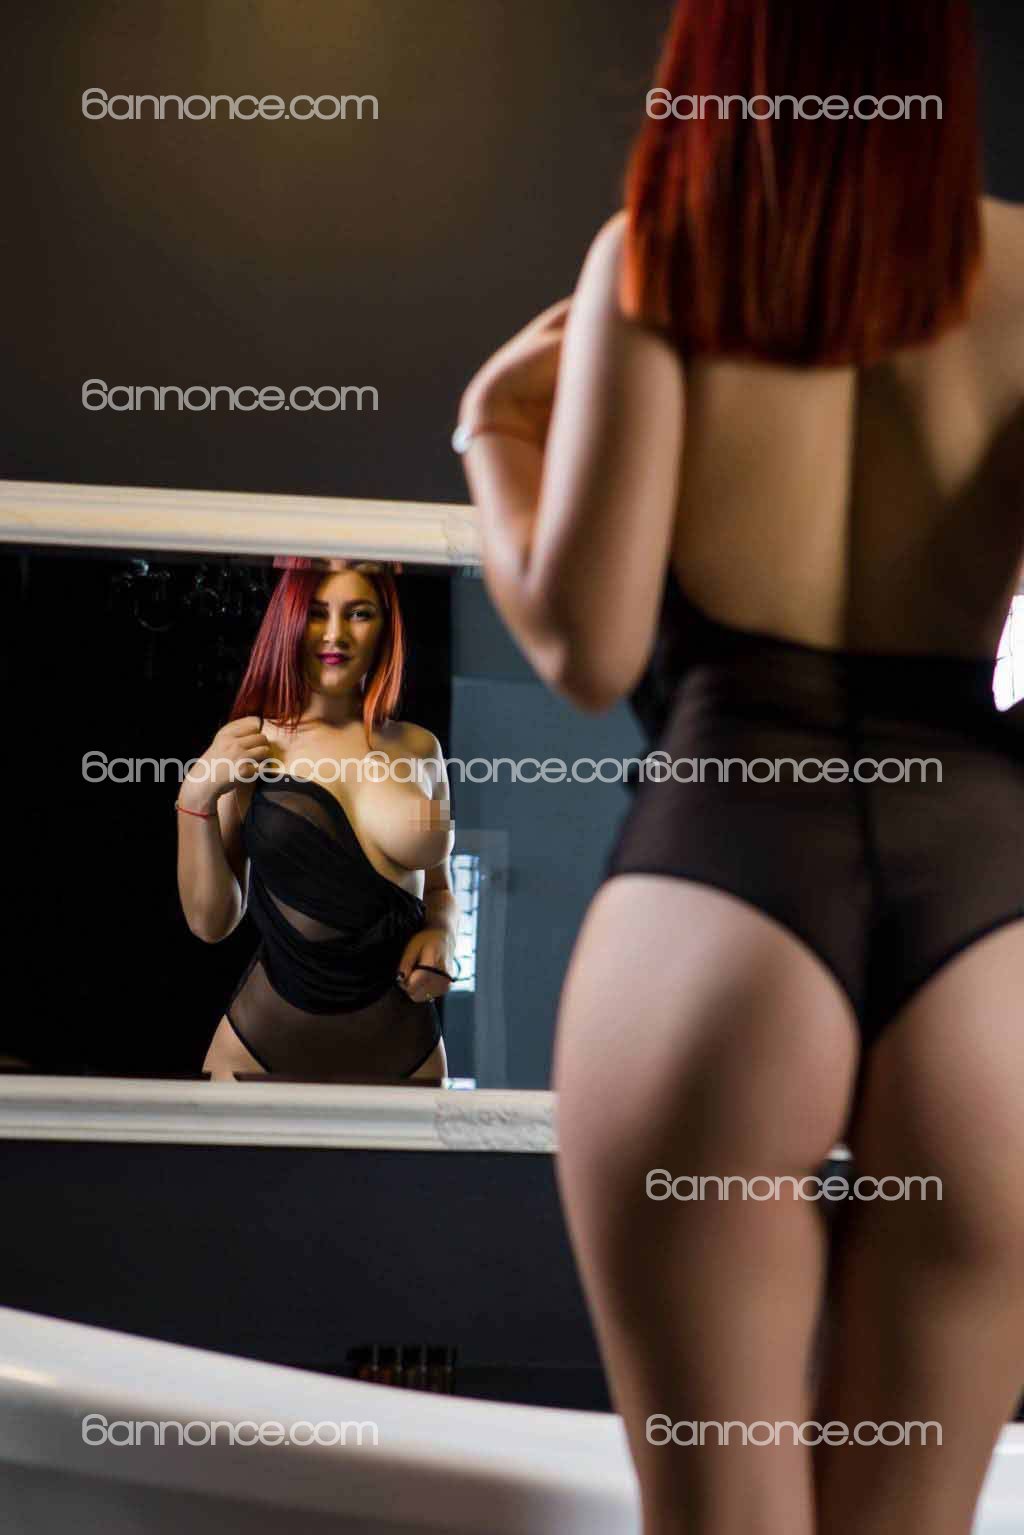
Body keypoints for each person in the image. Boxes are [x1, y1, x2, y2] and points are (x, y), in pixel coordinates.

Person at [456, 3, 1024, 1532]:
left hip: (725, 878)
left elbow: (585, 643)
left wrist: (490, 435)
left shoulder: (661, 263)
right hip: (991, 925)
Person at [176, 559, 457, 1083]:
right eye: (316, 613)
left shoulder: (422, 748)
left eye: (359, 613)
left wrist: (443, 935)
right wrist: (195, 797)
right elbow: (211, 924)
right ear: (289, 621)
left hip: (405, 1053)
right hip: (258, 1051)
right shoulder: (250, 744)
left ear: (385, 627)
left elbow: (440, 887)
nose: (335, 634)